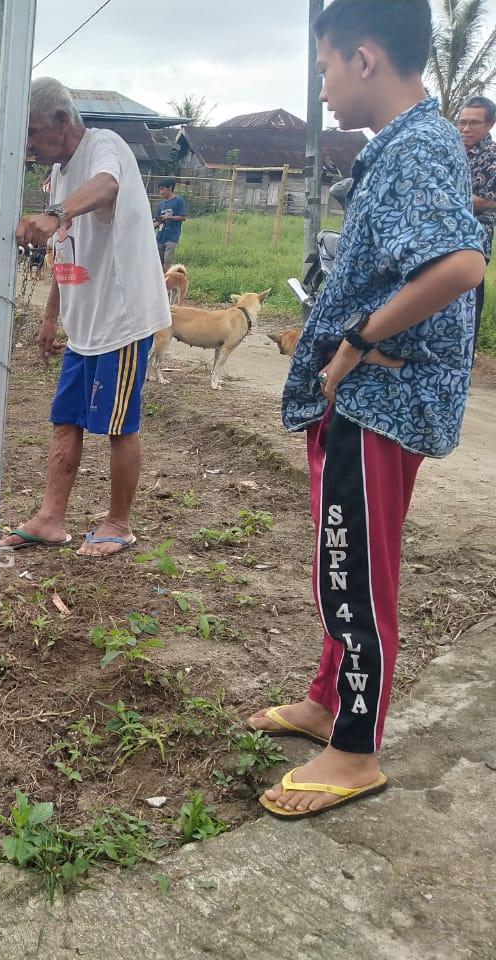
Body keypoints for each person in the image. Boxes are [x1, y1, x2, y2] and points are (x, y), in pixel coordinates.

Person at [248, 0, 485, 819]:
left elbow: (460, 265)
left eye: (322, 70)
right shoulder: (408, 145)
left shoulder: (418, 146)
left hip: (380, 397)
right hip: (367, 397)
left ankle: (355, 749)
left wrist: (354, 340)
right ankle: (326, 700)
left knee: (356, 568)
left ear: (365, 58)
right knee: (340, 555)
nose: (320, 91)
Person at [0, 78, 170, 558]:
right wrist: (52, 316)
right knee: (65, 420)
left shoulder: (103, 147)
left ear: (60, 121)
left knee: (118, 425)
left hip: (123, 317)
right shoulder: (59, 175)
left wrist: (56, 211)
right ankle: (51, 518)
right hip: (84, 324)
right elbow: (66, 248)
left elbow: (107, 186)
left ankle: (119, 522)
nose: (30, 144)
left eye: (32, 131)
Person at [457, 95, 496, 354]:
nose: (466, 129)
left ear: (490, 124)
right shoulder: (453, 152)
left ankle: (462, 374)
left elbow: (490, 202)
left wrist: (449, 199)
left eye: (474, 123)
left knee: (468, 311)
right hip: (439, 242)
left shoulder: (492, 157)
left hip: (472, 245)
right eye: (462, 122)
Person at [153, 177, 187, 268]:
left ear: (170, 188)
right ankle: (160, 280)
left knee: (167, 261)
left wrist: (169, 217)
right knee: (158, 261)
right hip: (160, 236)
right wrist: (150, 227)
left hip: (172, 236)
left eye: (162, 189)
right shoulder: (161, 204)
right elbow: (158, 221)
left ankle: (167, 280)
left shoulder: (178, 201)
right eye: (159, 189)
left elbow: (183, 217)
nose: (160, 192)